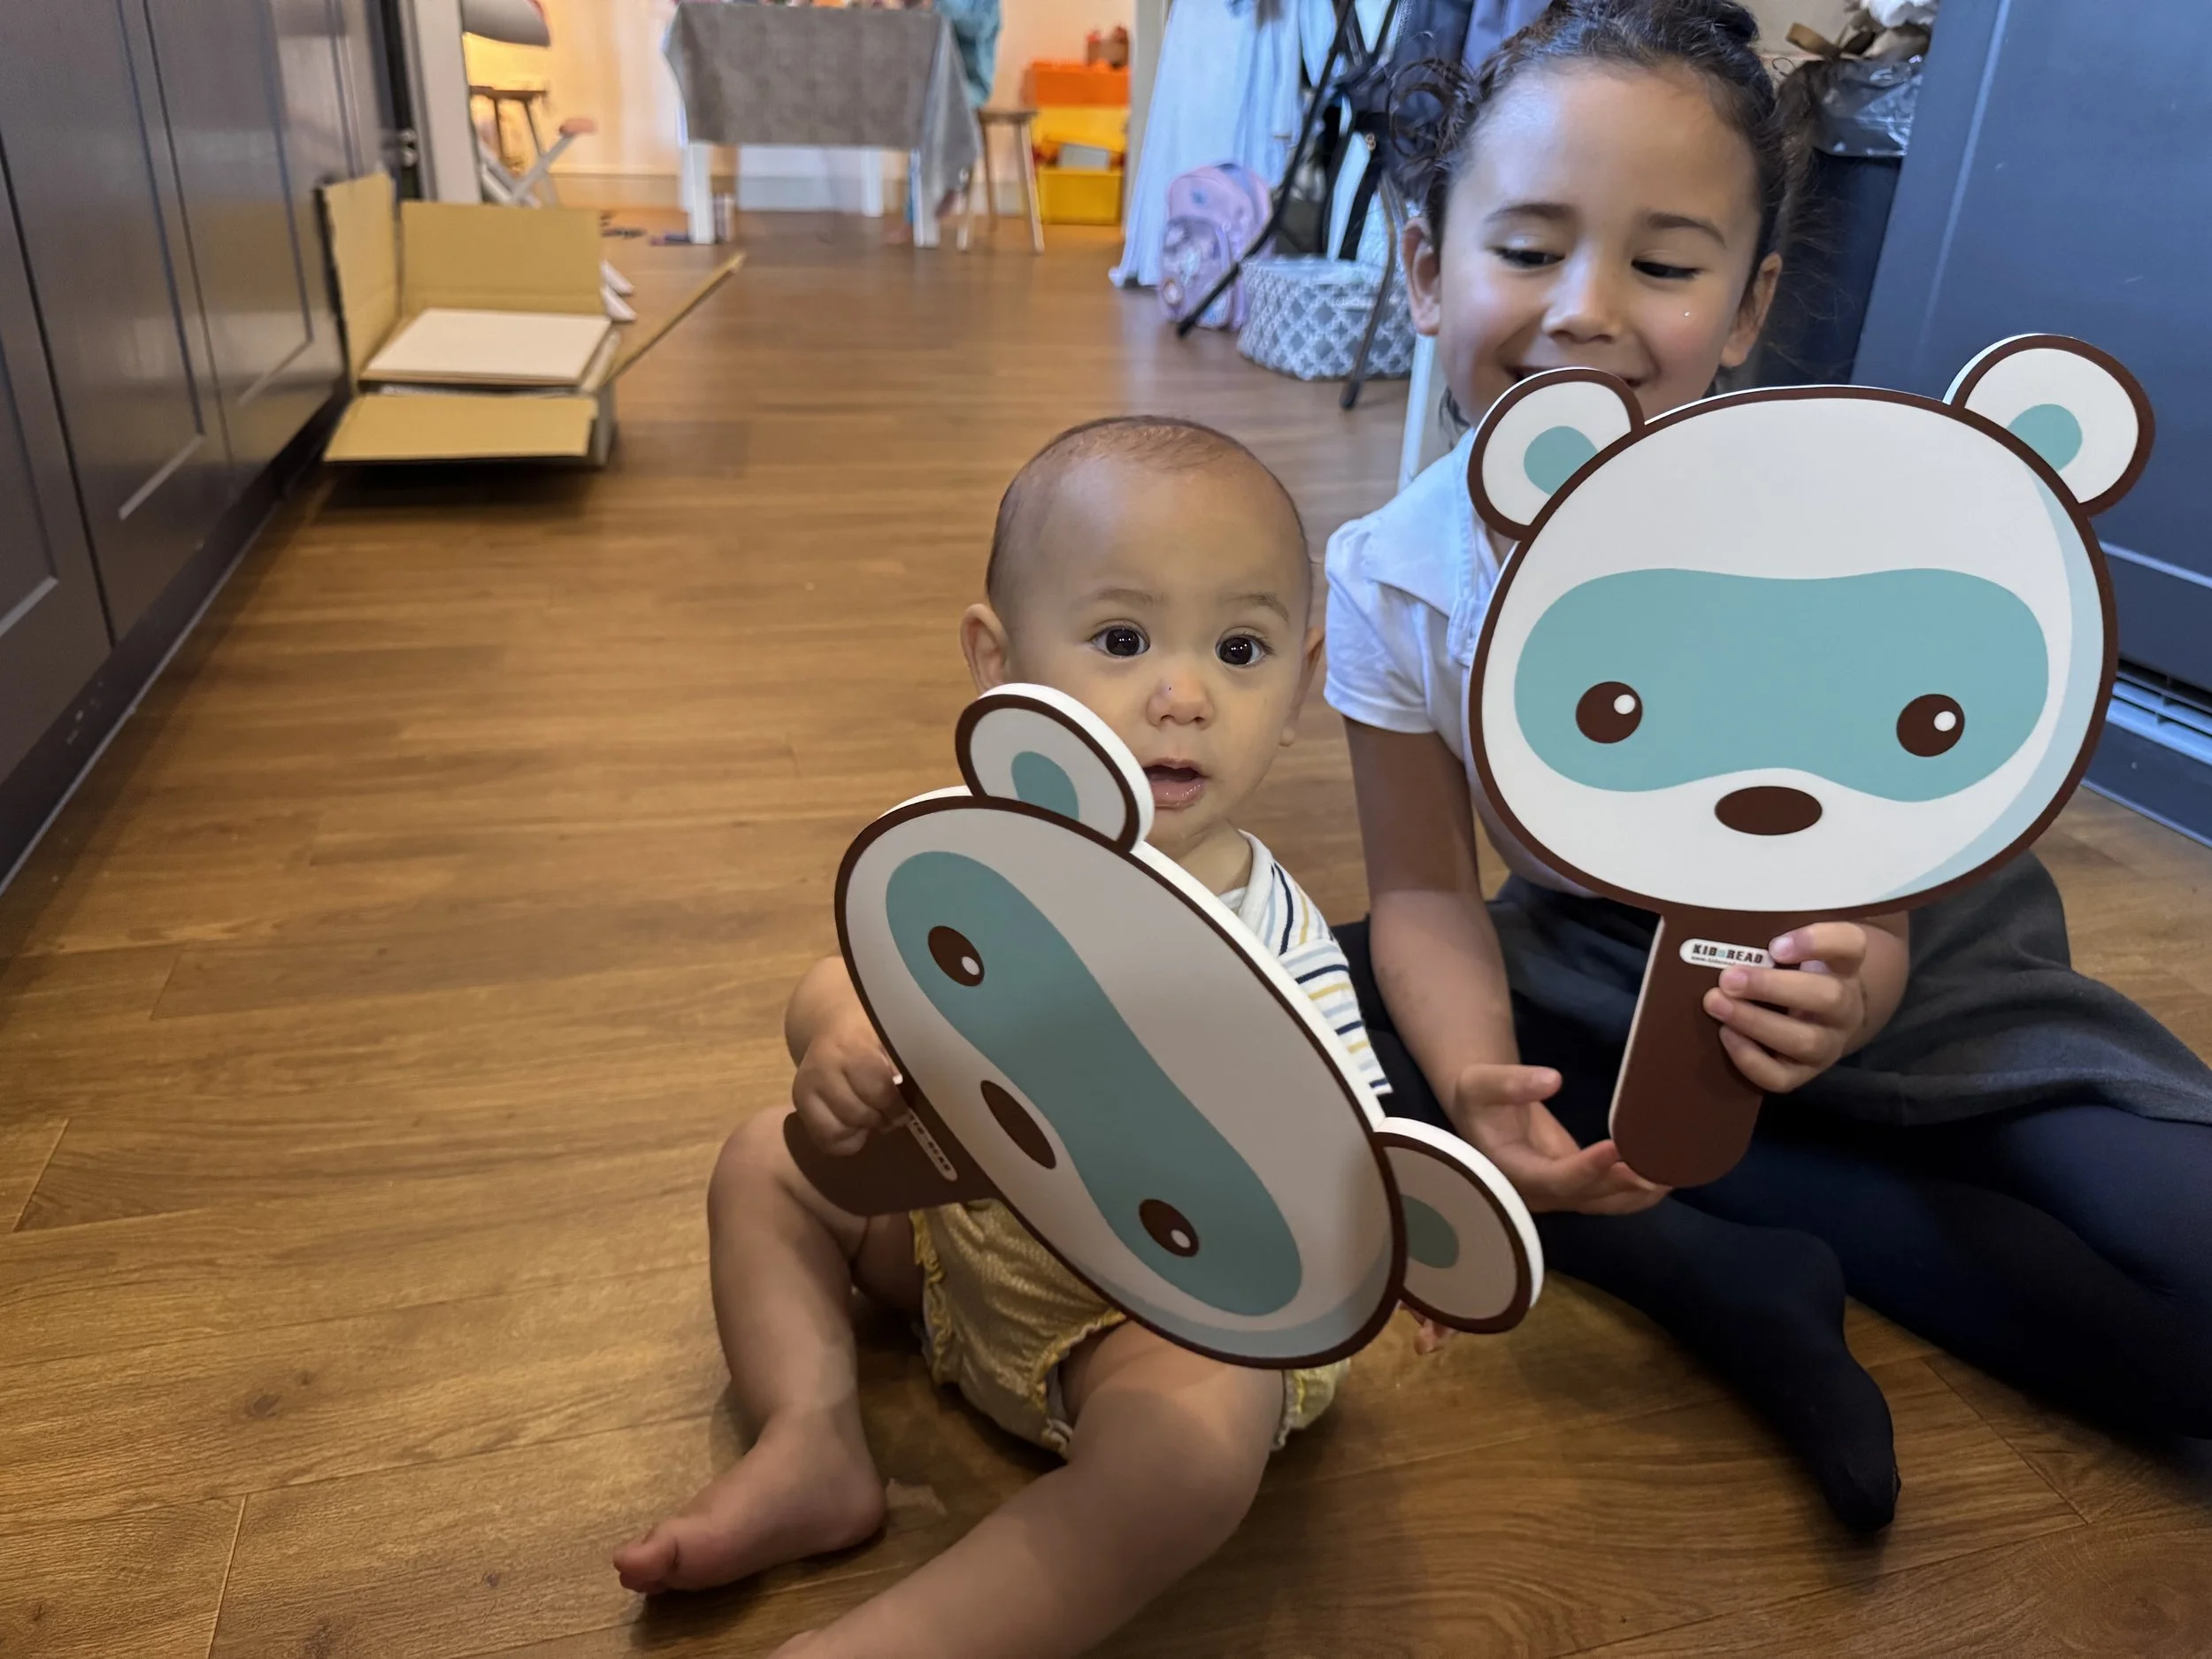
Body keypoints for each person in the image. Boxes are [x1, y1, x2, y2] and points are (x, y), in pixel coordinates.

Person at [1325, 0, 2212, 1534]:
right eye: (1526, 248)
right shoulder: (1397, 573)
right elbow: (1422, 887)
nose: (1585, 311)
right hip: (1604, 958)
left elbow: (1904, 827)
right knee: (1316, 1014)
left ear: (1749, 307)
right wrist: (1474, 1085)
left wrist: (1863, 967)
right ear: (1424, 268)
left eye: (1665, 266)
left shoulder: (1823, 510)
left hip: (1919, 955)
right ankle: (1719, 1263)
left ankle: (1745, 1197)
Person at [615, 417, 1391, 1656]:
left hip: (1148, 1316)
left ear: (1299, 685)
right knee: (764, 1161)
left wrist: (1385, 1237)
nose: (1183, 696)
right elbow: (840, 978)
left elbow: (1345, 1156)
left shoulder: (1274, 937)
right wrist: (840, 1036)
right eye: (1124, 640)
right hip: (958, 1242)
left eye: (1238, 650)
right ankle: (809, 1436)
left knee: (1200, 1444)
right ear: (998, 660)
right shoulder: (975, 851)